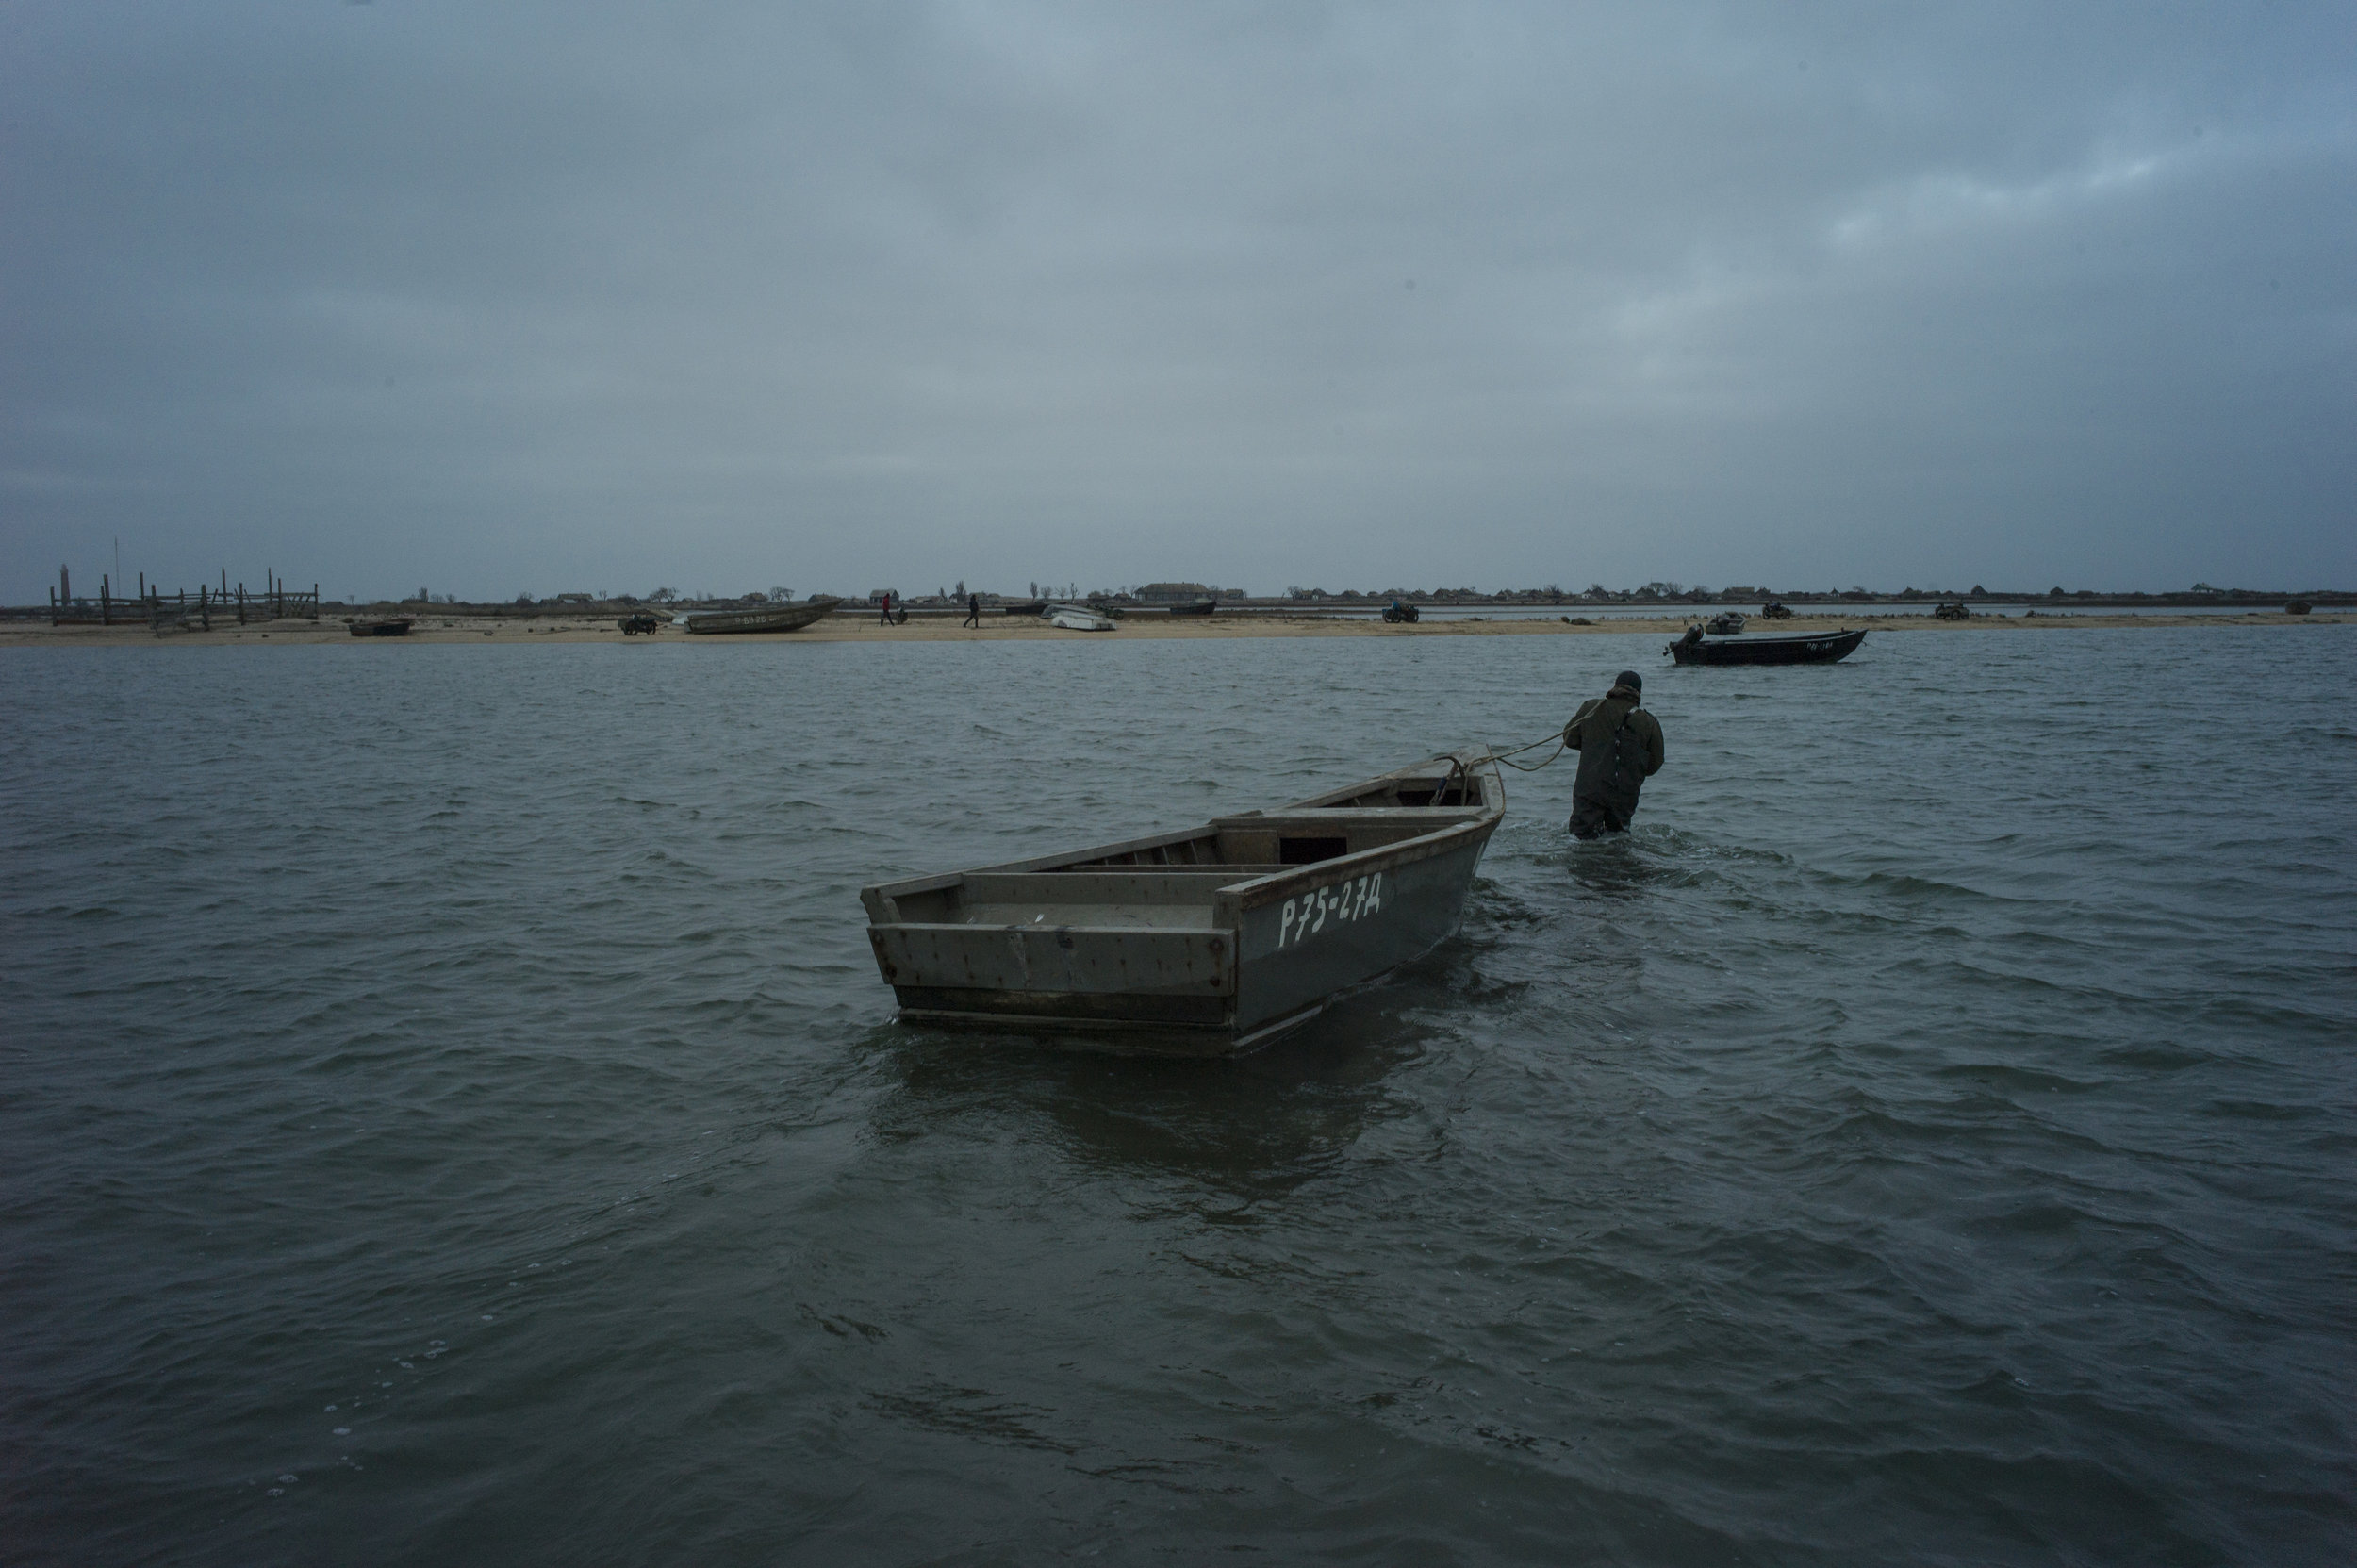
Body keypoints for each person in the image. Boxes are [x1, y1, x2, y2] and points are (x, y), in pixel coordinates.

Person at [1562, 668, 1664, 838]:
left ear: (1615, 687)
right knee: (1618, 841)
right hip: (1625, 795)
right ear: (1638, 693)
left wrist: (1594, 748)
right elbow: (1655, 764)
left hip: (1590, 790)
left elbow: (1569, 738)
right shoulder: (1649, 722)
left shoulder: (1591, 708)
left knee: (1581, 840)